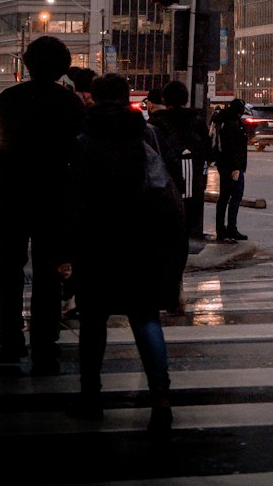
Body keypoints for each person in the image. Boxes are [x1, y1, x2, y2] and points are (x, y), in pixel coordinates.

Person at [59, 73, 186, 437]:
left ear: (94, 99)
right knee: (145, 317)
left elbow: (73, 199)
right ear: (128, 97)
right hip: (142, 240)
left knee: (94, 322)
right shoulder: (148, 136)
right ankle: (160, 398)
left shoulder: (83, 140)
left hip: (96, 242)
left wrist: (66, 248)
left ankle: (91, 397)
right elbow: (168, 191)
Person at [0, 34, 85, 373]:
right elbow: (80, 157)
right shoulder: (71, 104)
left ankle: (10, 341)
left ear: (27, 64)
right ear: (63, 67)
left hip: (14, 195)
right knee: (49, 274)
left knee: (8, 269)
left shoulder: (10, 98)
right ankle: (45, 346)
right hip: (54, 198)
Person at [146, 80, 209, 240]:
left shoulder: (156, 123)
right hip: (194, 187)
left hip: (166, 187)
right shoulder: (197, 121)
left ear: (164, 100)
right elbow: (208, 151)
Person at [210, 98, 248, 242]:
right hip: (232, 167)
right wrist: (237, 168)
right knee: (235, 196)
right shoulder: (233, 123)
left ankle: (221, 229)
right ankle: (231, 228)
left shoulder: (222, 120)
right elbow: (234, 148)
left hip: (223, 164)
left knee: (224, 197)